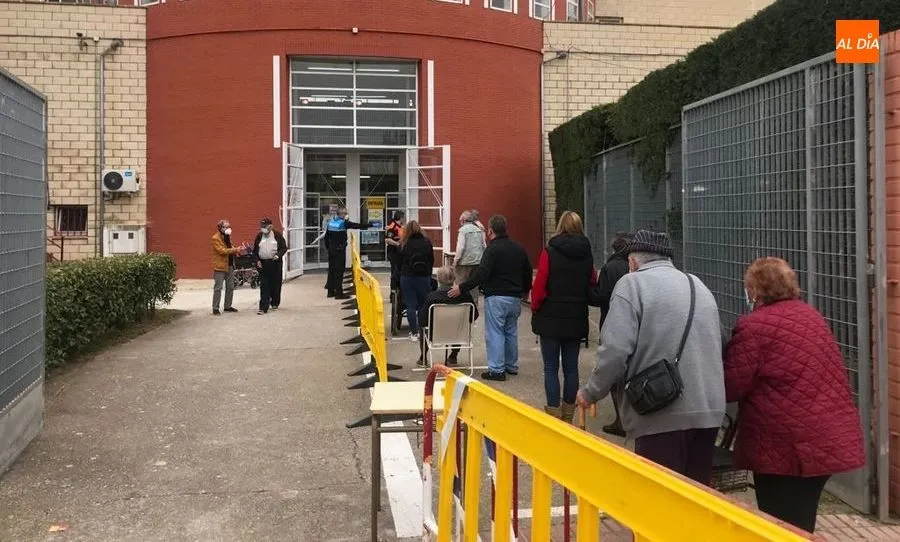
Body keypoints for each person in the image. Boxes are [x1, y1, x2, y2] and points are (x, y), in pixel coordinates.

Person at [723, 257, 864, 533]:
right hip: (828, 438)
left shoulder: (754, 327)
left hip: (786, 447)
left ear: (754, 290)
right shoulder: (811, 316)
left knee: (781, 524)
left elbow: (732, 386)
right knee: (801, 519)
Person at [576, 230, 725, 486]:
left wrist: (590, 392)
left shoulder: (631, 285)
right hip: (709, 410)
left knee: (657, 500)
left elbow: (614, 352)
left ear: (633, 262)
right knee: (695, 500)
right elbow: (720, 341)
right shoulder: (696, 284)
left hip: (661, 410)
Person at [530, 211, 597, 423]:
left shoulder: (550, 252)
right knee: (571, 367)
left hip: (550, 315)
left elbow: (540, 285)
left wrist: (535, 307)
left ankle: (553, 413)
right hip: (576, 315)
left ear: (560, 226)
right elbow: (592, 283)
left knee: (550, 367)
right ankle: (569, 414)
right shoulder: (587, 254)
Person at [450, 215, 533, 382]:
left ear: (490, 230)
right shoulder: (518, 248)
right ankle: (511, 365)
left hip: (496, 296)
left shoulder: (492, 250)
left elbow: (481, 274)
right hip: (515, 297)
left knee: (495, 333)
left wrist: (462, 287)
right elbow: (528, 271)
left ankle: (496, 369)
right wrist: (525, 290)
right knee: (511, 331)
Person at [594, 231, 635, 437]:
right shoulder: (636, 267)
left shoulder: (610, 267)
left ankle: (621, 419)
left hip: (611, 321)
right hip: (636, 324)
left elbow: (603, 297)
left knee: (614, 373)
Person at [415, 266, 479, 367]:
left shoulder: (432, 297)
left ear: (438, 279)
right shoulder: (465, 296)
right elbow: (474, 315)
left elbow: (422, 320)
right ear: (454, 278)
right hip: (458, 334)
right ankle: (453, 356)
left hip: (436, 334)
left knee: (423, 327)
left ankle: (423, 357)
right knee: (460, 326)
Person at [324, 206, 371, 300]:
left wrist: (328, 248)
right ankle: (339, 293)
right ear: (341, 214)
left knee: (331, 270)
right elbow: (355, 225)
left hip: (331, 249)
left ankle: (330, 292)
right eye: (345, 213)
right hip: (339, 249)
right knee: (339, 271)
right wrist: (368, 225)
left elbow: (326, 237)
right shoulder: (343, 223)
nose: (346, 215)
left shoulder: (331, 222)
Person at [399, 220, 435, 341]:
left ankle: (414, 332)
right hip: (423, 277)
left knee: (410, 305)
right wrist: (428, 274)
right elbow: (431, 259)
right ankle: (422, 330)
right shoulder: (427, 242)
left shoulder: (404, 243)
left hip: (407, 277)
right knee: (422, 305)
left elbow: (399, 261)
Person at [211, 219, 247, 315]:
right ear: (220, 228)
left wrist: (238, 250)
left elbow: (231, 248)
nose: (228, 228)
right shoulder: (215, 238)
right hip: (220, 267)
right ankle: (215, 308)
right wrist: (235, 249)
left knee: (230, 286)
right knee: (218, 288)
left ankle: (227, 306)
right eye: (226, 227)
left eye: (229, 226)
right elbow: (222, 251)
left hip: (230, 265)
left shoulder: (228, 237)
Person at [452, 210, 487, 308]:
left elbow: (461, 248)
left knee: (461, 284)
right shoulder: (479, 230)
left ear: (463, 220)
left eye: (460, 220)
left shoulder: (463, 231)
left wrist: (456, 261)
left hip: (464, 263)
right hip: (477, 262)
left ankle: (461, 304)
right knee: (474, 285)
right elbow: (484, 246)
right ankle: (474, 305)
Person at [253, 217, 288, 315]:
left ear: (270, 226)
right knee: (264, 285)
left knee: (275, 284)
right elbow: (255, 251)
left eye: (265, 226)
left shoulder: (277, 235)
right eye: (262, 226)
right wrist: (257, 261)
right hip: (263, 264)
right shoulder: (259, 236)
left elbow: (284, 248)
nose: (263, 228)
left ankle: (275, 303)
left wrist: (278, 255)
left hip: (275, 263)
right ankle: (263, 307)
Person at [314, 204, 339, 292]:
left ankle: (330, 284)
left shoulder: (332, 221)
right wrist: (317, 239)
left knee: (332, 266)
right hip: (333, 247)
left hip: (332, 246)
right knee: (333, 267)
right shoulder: (330, 221)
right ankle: (331, 285)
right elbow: (325, 232)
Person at [385, 211, 405, 291]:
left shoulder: (401, 227)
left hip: (400, 253)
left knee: (399, 272)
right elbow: (387, 239)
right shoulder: (392, 226)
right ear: (400, 217)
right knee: (394, 272)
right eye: (403, 217)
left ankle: (398, 289)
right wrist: (397, 244)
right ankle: (393, 291)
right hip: (393, 253)